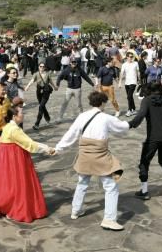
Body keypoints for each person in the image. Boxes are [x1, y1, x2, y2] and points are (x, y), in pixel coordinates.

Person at [54, 91, 130, 231]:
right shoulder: (106, 118)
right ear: (102, 103)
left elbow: (71, 134)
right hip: (100, 155)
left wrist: (58, 148)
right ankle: (109, 219)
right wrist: (131, 122)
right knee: (111, 186)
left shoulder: (82, 116)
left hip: (85, 154)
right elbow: (122, 128)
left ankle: (76, 210)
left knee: (82, 182)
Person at [0, 105, 55, 222]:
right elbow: (29, 144)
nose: (23, 115)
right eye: (21, 113)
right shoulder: (14, 129)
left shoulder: (8, 126)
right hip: (11, 158)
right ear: (14, 116)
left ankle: (5, 205)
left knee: (6, 183)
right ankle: (13, 208)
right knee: (15, 184)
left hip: (2, 157)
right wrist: (47, 148)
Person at [128, 82, 162, 199]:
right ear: (160, 89)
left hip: (153, 137)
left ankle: (144, 191)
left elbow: (140, 115)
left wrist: (130, 124)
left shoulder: (146, 101)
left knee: (144, 162)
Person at [24, 63, 58, 130]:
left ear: (45, 67)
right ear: (38, 67)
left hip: (46, 91)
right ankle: (47, 117)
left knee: (41, 106)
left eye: (43, 66)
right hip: (39, 92)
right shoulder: (36, 74)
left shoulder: (47, 74)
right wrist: (27, 86)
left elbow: (50, 81)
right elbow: (32, 80)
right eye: (40, 66)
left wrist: (54, 87)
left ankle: (37, 124)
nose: (42, 67)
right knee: (42, 106)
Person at [118, 52, 139, 117]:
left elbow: (138, 72)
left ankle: (129, 110)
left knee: (129, 96)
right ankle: (134, 109)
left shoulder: (135, 63)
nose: (131, 58)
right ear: (127, 57)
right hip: (127, 82)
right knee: (130, 96)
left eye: (132, 57)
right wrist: (120, 82)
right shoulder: (124, 64)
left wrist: (139, 80)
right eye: (130, 56)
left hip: (133, 82)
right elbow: (121, 73)